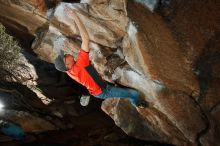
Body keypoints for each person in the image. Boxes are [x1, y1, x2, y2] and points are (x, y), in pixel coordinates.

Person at [54, 8, 148, 108]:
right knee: (134, 94)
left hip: (98, 89)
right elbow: (85, 38)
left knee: (122, 90)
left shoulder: (69, 71)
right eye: (65, 57)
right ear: (67, 65)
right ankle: (137, 103)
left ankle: (129, 97)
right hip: (103, 90)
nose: (66, 54)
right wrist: (75, 17)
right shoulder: (80, 64)